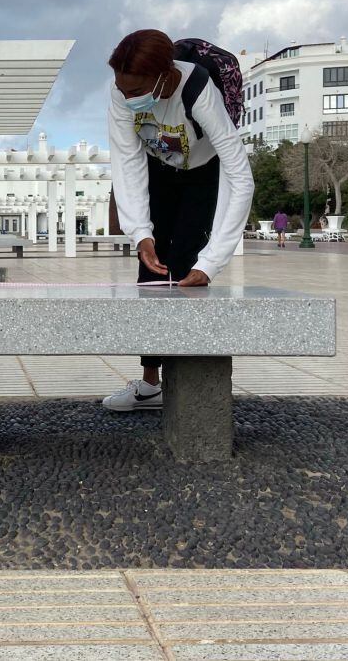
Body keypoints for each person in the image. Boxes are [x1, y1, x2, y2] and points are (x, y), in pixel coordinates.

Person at [101, 30, 254, 411]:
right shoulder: (120, 93)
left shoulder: (198, 90)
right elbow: (127, 162)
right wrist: (140, 233)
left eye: (137, 92)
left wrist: (212, 261)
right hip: (160, 169)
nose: (129, 98)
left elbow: (240, 177)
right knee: (152, 273)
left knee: (188, 268)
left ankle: (189, 386)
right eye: (123, 90)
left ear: (165, 76)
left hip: (203, 171)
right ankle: (150, 385)